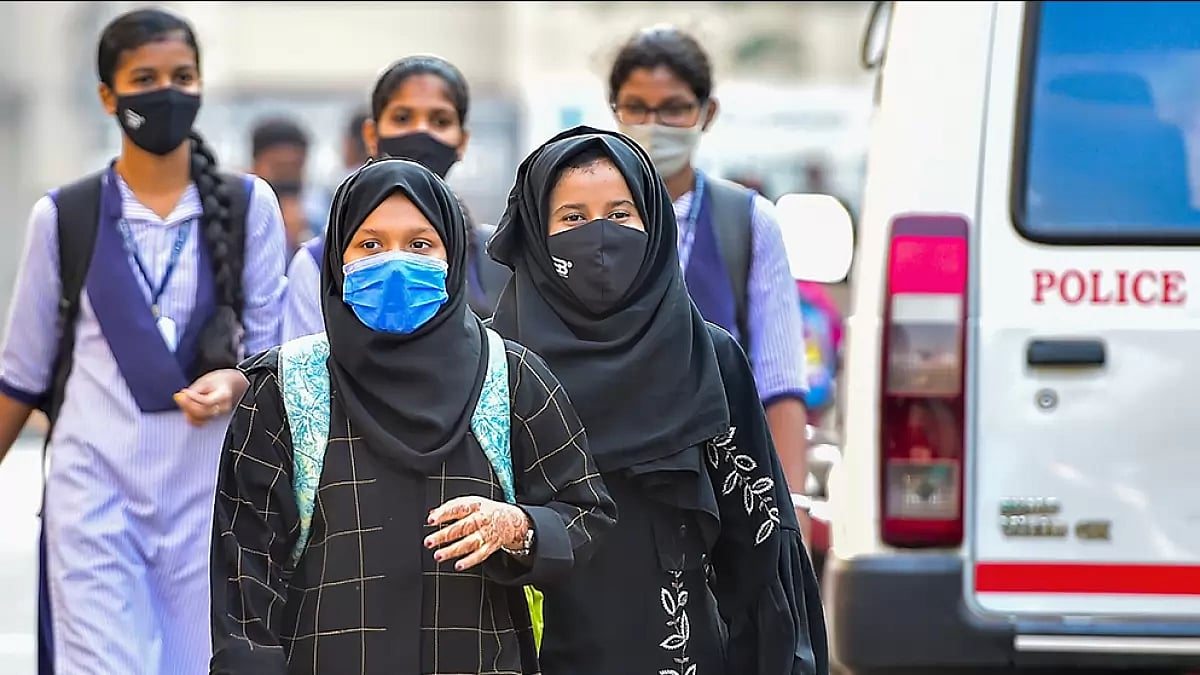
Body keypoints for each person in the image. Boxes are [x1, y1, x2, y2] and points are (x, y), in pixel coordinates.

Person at [210, 158, 616, 675]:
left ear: (452, 256)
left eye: (420, 245)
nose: (395, 264)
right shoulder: (286, 390)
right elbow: (244, 581)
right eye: (370, 245)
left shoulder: (509, 377)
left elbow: (587, 512)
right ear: (337, 259)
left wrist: (520, 528)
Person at [0, 7, 286, 674]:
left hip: (207, 503)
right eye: (145, 76)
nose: (167, 91)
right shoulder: (63, 217)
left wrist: (239, 381)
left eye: (182, 75)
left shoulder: (249, 208)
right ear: (108, 95)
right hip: (92, 498)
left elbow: (280, 358)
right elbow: (19, 374)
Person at [487, 126, 828, 674]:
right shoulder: (497, 366)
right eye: (572, 218)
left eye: (621, 215)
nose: (599, 236)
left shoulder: (708, 359)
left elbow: (758, 544)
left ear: (654, 223)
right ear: (537, 233)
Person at [608, 26, 814, 537]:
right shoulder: (584, 220)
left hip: (728, 491)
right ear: (614, 111)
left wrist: (792, 511)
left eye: (674, 108)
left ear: (707, 112)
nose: (654, 125)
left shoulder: (746, 222)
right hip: (608, 492)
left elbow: (780, 381)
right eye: (637, 107)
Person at [283, 55, 509, 341]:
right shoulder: (317, 263)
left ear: (462, 141)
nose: (421, 132)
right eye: (402, 118)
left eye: (440, 120)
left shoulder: (496, 258)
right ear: (371, 134)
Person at [249, 116, 319, 254]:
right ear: (255, 165)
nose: (287, 175)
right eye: (279, 167)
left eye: (295, 166)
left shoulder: (319, 213)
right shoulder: (241, 210)